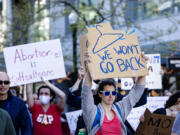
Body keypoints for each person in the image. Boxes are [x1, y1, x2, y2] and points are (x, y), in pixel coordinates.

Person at [81, 52, 147, 135]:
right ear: (99, 94)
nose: (111, 95)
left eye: (113, 92)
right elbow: (86, 92)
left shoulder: (120, 109)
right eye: (107, 93)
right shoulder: (92, 113)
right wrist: (89, 67)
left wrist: (142, 68)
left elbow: (137, 90)